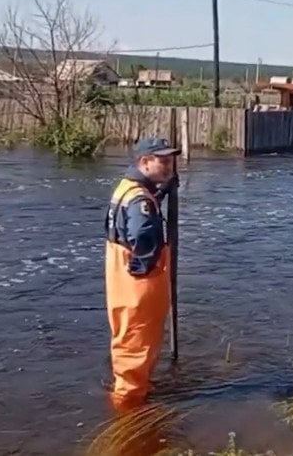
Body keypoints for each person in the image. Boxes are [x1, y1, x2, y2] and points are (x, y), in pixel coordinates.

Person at [103, 136, 180, 411]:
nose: (169, 166)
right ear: (144, 162)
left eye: (171, 160)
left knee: (128, 334)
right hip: (138, 280)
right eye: (163, 161)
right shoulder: (140, 200)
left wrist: (162, 192)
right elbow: (142, 233)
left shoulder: (128, 187)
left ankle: (136, 389)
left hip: (118, 274)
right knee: (137, 340)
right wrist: (144, 267)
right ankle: (129, 407)